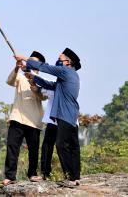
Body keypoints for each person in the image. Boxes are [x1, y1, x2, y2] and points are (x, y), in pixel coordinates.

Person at [15, 48, 82, 186]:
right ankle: (75, 176)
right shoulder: (71, 75)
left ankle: (70, 177)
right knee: (73, 146)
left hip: (65, 114)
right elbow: (51, 85)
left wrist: (25, 59)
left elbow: (45, 67)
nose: (57, 61)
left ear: (68, 62)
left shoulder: (65, 71)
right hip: (71, 114)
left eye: (60, 59)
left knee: (62, 145)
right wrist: (33, 77)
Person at [0, 51, 47, 187]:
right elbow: (9, 81)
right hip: (17, 117)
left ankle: (32, 174)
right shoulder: (20, 77)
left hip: (34, 119)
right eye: (29, 60)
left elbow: (43, 97)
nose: (29, 62)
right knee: (12, 147)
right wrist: (16, 67)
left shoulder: (42, 80)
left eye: (33, 61)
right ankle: (10, 176)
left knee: (33, 149)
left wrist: (34, 85)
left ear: (38, 65)